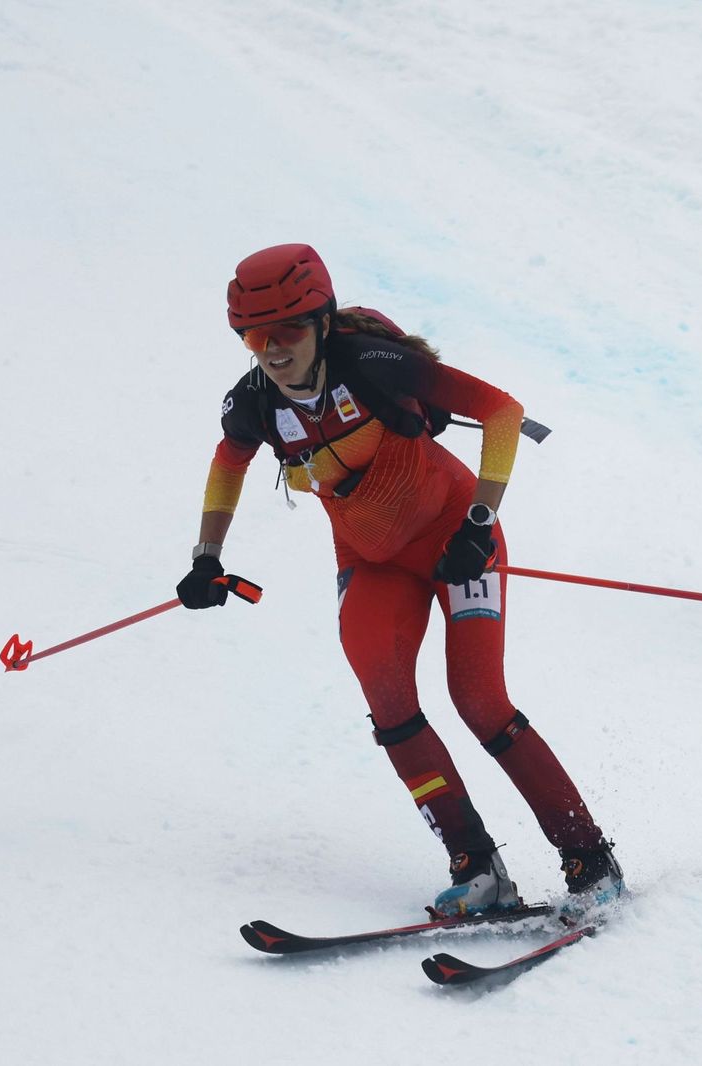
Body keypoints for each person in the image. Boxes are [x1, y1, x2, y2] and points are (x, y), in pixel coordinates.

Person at [178, 243, 623, 917]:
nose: (272, 349)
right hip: (374, 564)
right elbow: (227, 461)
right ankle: (477, 867)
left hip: (457, 547)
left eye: (289, 331)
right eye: (254, 335)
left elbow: (501, 411)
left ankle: (590, 860)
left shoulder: (375, 365)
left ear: (323, 324)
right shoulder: (256, 403)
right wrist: (206, 557)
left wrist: (478, 524)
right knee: (388, 702)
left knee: (479, 700)